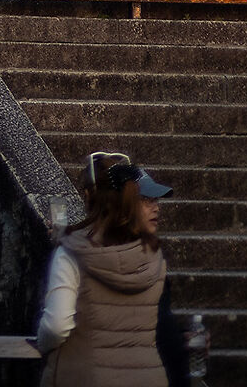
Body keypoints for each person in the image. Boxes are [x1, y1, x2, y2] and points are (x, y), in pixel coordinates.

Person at [34, 150, 188, 386]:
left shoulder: (71, 254)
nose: (156, 207)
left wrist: (43, 344)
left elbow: (57, 326)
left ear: (88, 196)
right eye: (146, 200)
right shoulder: (152, 256)